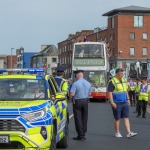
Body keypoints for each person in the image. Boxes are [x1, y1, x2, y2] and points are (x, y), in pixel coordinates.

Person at [107, 68, 137, 138]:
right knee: (117, 118)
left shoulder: (124, 80)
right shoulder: (112, 81)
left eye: (122, 73)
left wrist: (128, 99)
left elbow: (125, 90)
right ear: (117, 74)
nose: (122, 75)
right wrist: (112, 102)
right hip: (116, 102)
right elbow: (110, 93)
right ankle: (117, 132)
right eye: (121, 73)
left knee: (126, 117)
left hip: (124, 102)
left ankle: (129, 132)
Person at [70, 70, 91, 141]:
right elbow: (90, 93)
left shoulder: (75, 84)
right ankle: (83, 133)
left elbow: (72, 94)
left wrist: (70, 97)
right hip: (85, 101)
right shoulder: (88, 83)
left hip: (78, 102)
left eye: (75, 75)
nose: (75, 76)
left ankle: (80, 134)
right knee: (84, 118)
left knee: (78, 118)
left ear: (78, 75)